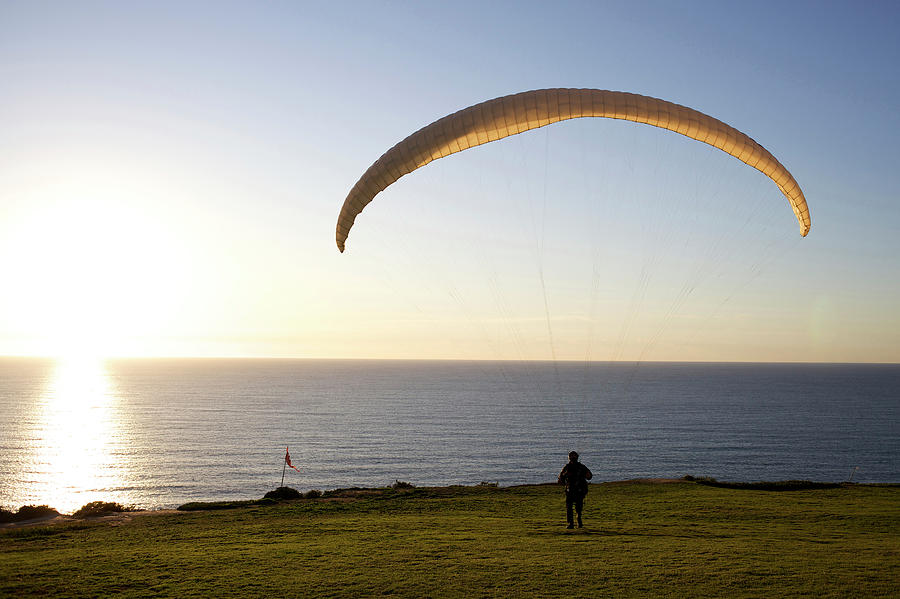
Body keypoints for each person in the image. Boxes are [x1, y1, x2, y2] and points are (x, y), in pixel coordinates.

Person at [558, 451, 592, 529]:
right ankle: (573, 523)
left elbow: (589, 476)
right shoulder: (569, 467)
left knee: (576, 507)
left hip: (578, 490)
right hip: (572, 490)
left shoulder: (579, 467)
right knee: (572, 507)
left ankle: (576, 522)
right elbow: (560, 479)